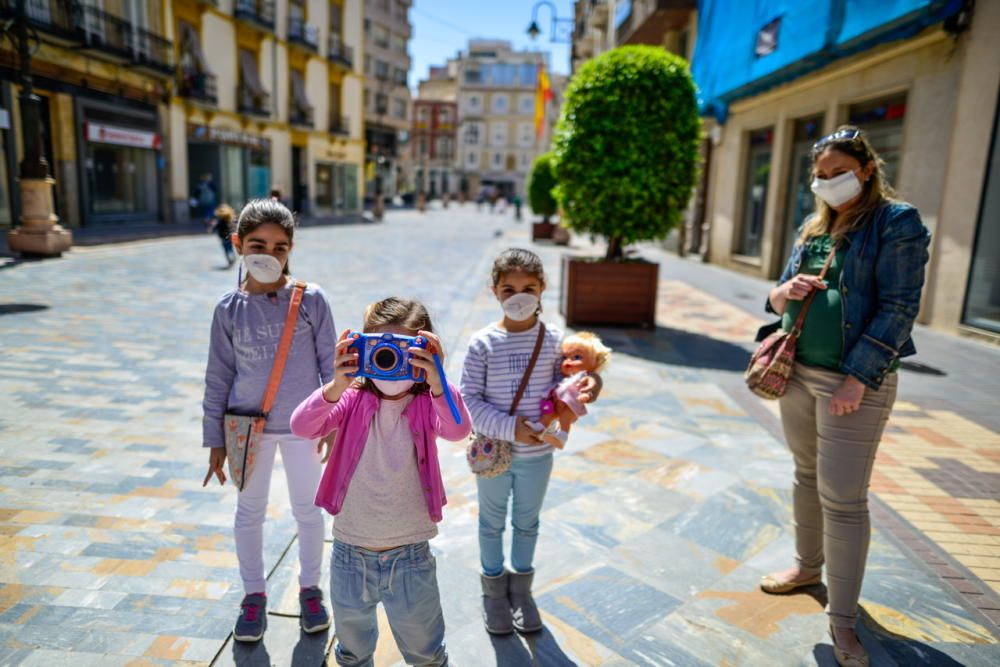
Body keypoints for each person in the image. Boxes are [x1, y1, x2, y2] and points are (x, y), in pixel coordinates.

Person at [759, 126, 930, 667]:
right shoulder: (814, 226)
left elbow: (900, 306)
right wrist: (783, 292)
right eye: (822, 176)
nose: (829, 183)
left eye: (839, 173)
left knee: (845, 499)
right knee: (805, 475)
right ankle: (807, 566)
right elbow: (777, 291)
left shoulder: (895, 223)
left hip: (850, 381)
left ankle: (844, 624)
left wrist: (859, 375)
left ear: (867, 169)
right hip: (798, 371)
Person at [289, 297, 471, 667]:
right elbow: (302, 427)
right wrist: (336, 384)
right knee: (353, 654)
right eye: (381, 348)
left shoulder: (426, 402)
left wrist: (437, 380)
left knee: (425, 653)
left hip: (410, 554)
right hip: (349, 552)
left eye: (403, 350)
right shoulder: (353, 398)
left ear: (425, 352)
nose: (390, 360)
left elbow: (458, 429)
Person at [201, 198, 338, 642]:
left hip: (304, 427)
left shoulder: (312, 300)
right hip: (246, 429)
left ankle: (310, 589)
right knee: (249, 512)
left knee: (309, 511)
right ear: (238, 244)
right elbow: (219, 376)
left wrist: (333, 424)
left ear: (290, 250)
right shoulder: (228, 309)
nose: (268, 254)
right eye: (257, 243)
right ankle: (253, 595)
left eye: (279, 248)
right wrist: (214, 439)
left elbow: (331, 369)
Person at [461, 248, 601, 635]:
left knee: (526, 523)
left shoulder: (555, 340)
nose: (518, 296)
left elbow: (574, 379)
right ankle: (493, 591)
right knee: (491, 524)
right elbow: (469, 400)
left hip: (538, 455)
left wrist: (592, 384)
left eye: (528, 287)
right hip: (494, 454)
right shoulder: (482, 343)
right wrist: (511, 427)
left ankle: (522, 591)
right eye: (509, 288)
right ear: (495, 291)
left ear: (542, 289)